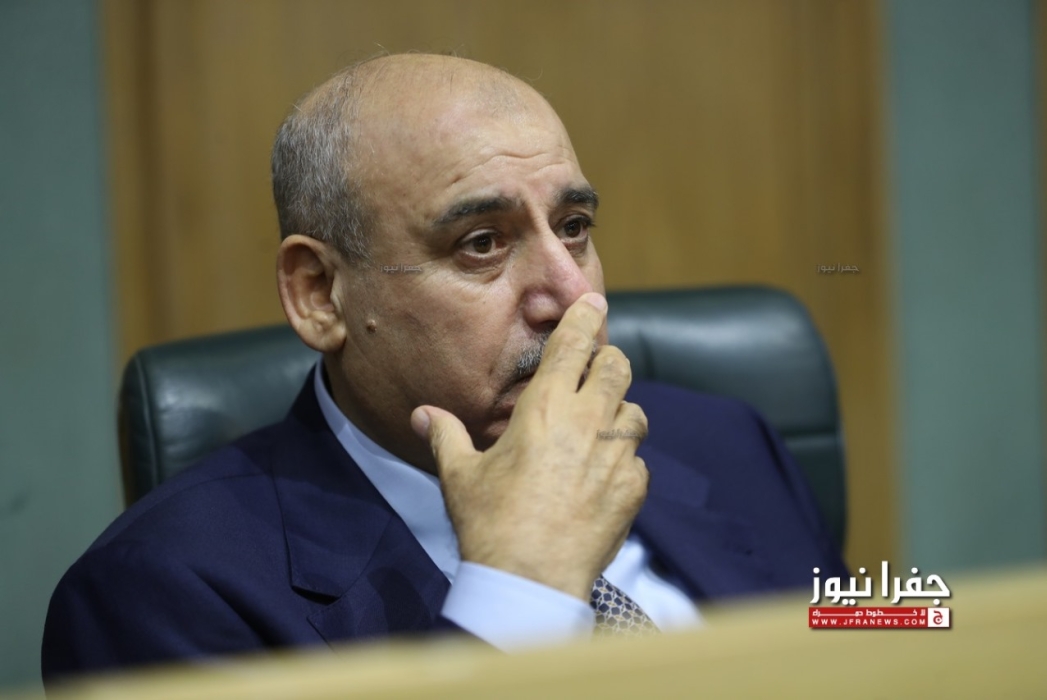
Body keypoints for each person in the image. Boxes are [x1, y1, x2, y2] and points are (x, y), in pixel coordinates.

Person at [42, 53, 847, 681]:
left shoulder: (724, 442)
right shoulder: (161, 596)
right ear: (320, 294)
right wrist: (523, 587)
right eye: (482, 244)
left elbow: (872, 647)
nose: (574, 297)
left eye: (573, 227)